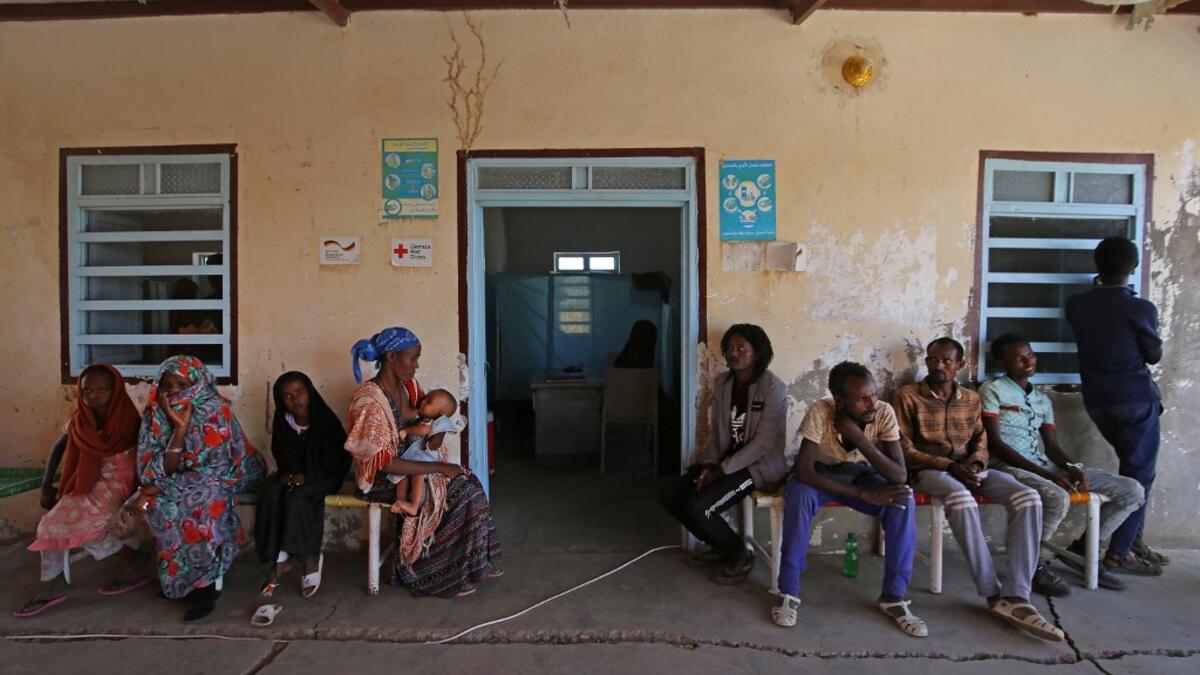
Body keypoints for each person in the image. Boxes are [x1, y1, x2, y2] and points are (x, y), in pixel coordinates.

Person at [893, 338, 1063, 642]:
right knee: (960, 498)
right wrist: (949, 466)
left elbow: (980, 440)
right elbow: (903, 448)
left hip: (969, 468)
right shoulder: (907, 396)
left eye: (946, 361)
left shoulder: (970, 399)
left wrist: (974, 463)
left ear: (959, 365)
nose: (938, 366)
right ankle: (992, 593)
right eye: (933, 360)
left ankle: (1018, 594)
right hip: (928, 470)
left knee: (1029, 497)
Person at [980, 334, 1145, 593]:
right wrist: (1048, 476)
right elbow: (996, 444)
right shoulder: (992, 390)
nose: (1028, 362)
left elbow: (1053, 447)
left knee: (1132, 490)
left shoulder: (1042, 400)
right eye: (1019, 358)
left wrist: (1073, 468)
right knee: (1057, 497)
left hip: (1042, 464)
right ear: (1002, 362)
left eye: (1030, 355)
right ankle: (1031, 563)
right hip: (1006, 466)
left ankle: (1083, 549)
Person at [345, 327, 502, 598]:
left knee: (468, 483)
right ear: (391, 356)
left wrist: (436, 438)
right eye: (413, 358)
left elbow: (428, 421)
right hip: (384, 480)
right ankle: (430, 573)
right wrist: (438, 467)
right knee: (459, 493)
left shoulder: (408, 388)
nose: (416, 365)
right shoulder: (369, 401)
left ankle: (471, 564)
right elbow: (383, 464)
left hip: (411, 466)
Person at [773, 362, 926, 637]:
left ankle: (894, 596)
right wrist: (863, 495)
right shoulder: (821, 411)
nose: (872, 403)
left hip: (860, 474)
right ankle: (788, 592)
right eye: (862, 399)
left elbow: (899, 475)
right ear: (840, 400)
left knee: (903, 500)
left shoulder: (883, 412)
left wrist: (859, 438)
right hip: (821, 477)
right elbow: (804, 470)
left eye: (873, 395)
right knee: (798, 495)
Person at [136, 355, 266, 622]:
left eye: (181, 384)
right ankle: (180, 576)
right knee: (161, 505)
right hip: (182, 477)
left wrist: (163, 486)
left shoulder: (214, 411)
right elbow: (156, 470)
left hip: (231, 473)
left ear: (197, 383)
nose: (173, 391)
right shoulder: (155, 414)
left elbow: (214, 470)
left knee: (202, 503)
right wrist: (179, 429)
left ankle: (207, 584)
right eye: (167, 385)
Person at [14, 365, 150, 618]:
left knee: (90, 527)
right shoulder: (80, 419)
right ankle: (53, 582)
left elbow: (146, 456)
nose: (93, 396)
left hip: (118, 484)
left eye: (102, 390)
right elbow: (58, 447)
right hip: (86, 482)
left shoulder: (129, 421)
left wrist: (142, 493)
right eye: (87, 390)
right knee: (50, 524)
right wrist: (46, 485)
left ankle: (134, 559)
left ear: (115, 391)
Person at [1065, 236, 1167, 574]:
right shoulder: (1141, 309)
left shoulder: (1077, 305)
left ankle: (1132, 539)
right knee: (1139, 475)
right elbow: (1153, 354)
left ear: (1096, 266)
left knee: (1135, 470)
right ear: (1133, 267)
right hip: (1135, 399)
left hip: (1097, 400)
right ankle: (1118, 552)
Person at [659, 323, 787, 585]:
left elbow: (763, 443)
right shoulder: (723, 384)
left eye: (741, 348)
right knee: (671, 495)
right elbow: (718, 435)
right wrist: (709, 466)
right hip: (725, 462)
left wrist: (722, 470)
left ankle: (740, 555)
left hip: (758, 467)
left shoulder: (772, 387)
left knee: (699, 507)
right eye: (729, 348)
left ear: (757, 352)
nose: (733, 353)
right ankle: (722, 547)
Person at [255, 371, 350, 600]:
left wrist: (308, 476)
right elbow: (282, 452)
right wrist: (289, 474)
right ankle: (278, 559)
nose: (296, 400)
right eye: (288, 396)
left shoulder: (324, 420)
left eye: (300, 392)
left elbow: (338, 459)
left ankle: (310, 558)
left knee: (299, 498)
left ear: (309, 392)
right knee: (271, 494)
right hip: (295, 475)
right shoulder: (283, 420)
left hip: (326, 475)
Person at [389, 389, 460, 517]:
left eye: (428, 402)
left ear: (439, 414)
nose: (423, 402)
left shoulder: (433, 423)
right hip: (414, 457)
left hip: (426, 458)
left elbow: (424, 430)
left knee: (418, 475)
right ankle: (401, 502)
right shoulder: (421, 419)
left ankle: (414, 505)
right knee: (401, 477)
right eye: (425, 398)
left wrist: (406, 431)